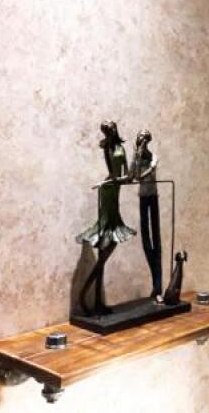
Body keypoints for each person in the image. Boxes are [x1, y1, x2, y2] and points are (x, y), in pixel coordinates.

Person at [75, 120, 136, 315]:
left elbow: (125, 175)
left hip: (112, 188)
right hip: (108, 190)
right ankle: (91, 298)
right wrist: (110, 181)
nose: (109, 132)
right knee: (107, 238)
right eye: (106, 131)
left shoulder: (120, 148)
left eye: (110, 129)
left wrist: (121, 178)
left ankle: (94, 298)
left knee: (110, 240)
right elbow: (113, 173)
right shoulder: (108, 147)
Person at [130, 130, 162, 300]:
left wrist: (150, 166)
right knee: (145, 237)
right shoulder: (138, 158)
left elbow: (140, 176)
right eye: (140, 138)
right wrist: (149, 166)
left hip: (153, 196)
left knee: (156, 238)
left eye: (143, 138)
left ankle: (158, 286)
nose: (141, 140)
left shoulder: (153, 157)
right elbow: (136, 176)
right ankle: (156, 284)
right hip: (143, 196)